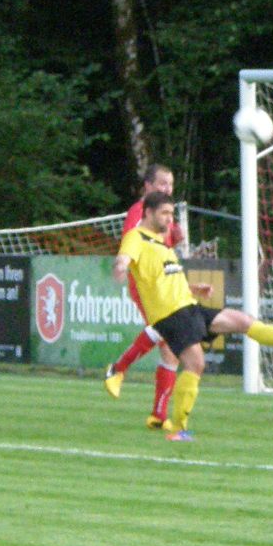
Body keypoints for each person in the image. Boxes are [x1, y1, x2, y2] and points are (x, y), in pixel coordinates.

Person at [115, 191, 273, 442]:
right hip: (171, 315)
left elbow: (165, 282)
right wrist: (121, 267)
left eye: (171, 213)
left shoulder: (161, 243)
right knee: (196, 364)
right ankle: (178, 429)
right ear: (148, 212)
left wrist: (194, 288)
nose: (170, 219)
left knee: (243, 321)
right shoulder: (136, 237)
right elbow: (124, 258)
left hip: (189, 307)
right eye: (164, 213)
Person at [103, 164, 186, 431]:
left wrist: (176, 237)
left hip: (165, 284)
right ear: (148, 186)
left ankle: (158, 415)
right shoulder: (140, 210)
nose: (168, 189)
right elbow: (133, 240)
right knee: (165, 331)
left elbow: (163, 248)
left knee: (170, 349)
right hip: (148, 285)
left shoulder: (165, 214)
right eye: (162, 184)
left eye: (170, 184)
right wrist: (123, 264)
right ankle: (117, 369)